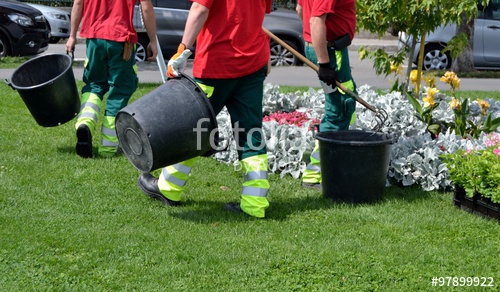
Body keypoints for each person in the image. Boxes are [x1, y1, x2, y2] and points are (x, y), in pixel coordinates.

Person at [137, 0, 272, 218]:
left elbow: (200, 9)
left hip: (216, 64)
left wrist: (182, 49)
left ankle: (169, 188)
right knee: (250, 134)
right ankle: (255, 204)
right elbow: (258, 13)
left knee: (193, 126)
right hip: (253, 62)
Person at [65, 0, 158, 158]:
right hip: (121, 40)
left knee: (94, 85)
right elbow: (146, 7)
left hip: (94, 39)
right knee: (119, 91)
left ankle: (85, 122)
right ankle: (108, 148)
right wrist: (153, 40)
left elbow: (78, 3)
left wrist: (72, 36)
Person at [296, 0, 358, 189]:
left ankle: (343, 152)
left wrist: (311, 40)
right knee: (340, 107)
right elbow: (315, 20)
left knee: (346, 100)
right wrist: (324, 62)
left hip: (328, 48)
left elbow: (300, 10)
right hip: (331, 51)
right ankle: (315, 173)